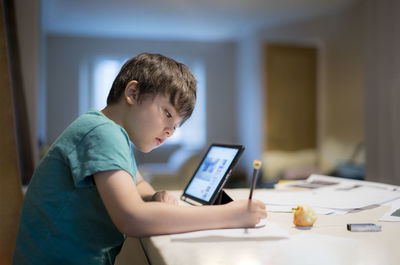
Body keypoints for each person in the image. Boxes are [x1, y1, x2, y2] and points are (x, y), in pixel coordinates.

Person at [13, 53, 267, 264]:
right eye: (167, 114)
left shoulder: (110, 132)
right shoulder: (102, 133)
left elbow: (136, 182)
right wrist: (229, 216)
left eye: (176, 125)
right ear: (132, 93)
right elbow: (132, 219)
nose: (170, 131)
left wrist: (154, 196)